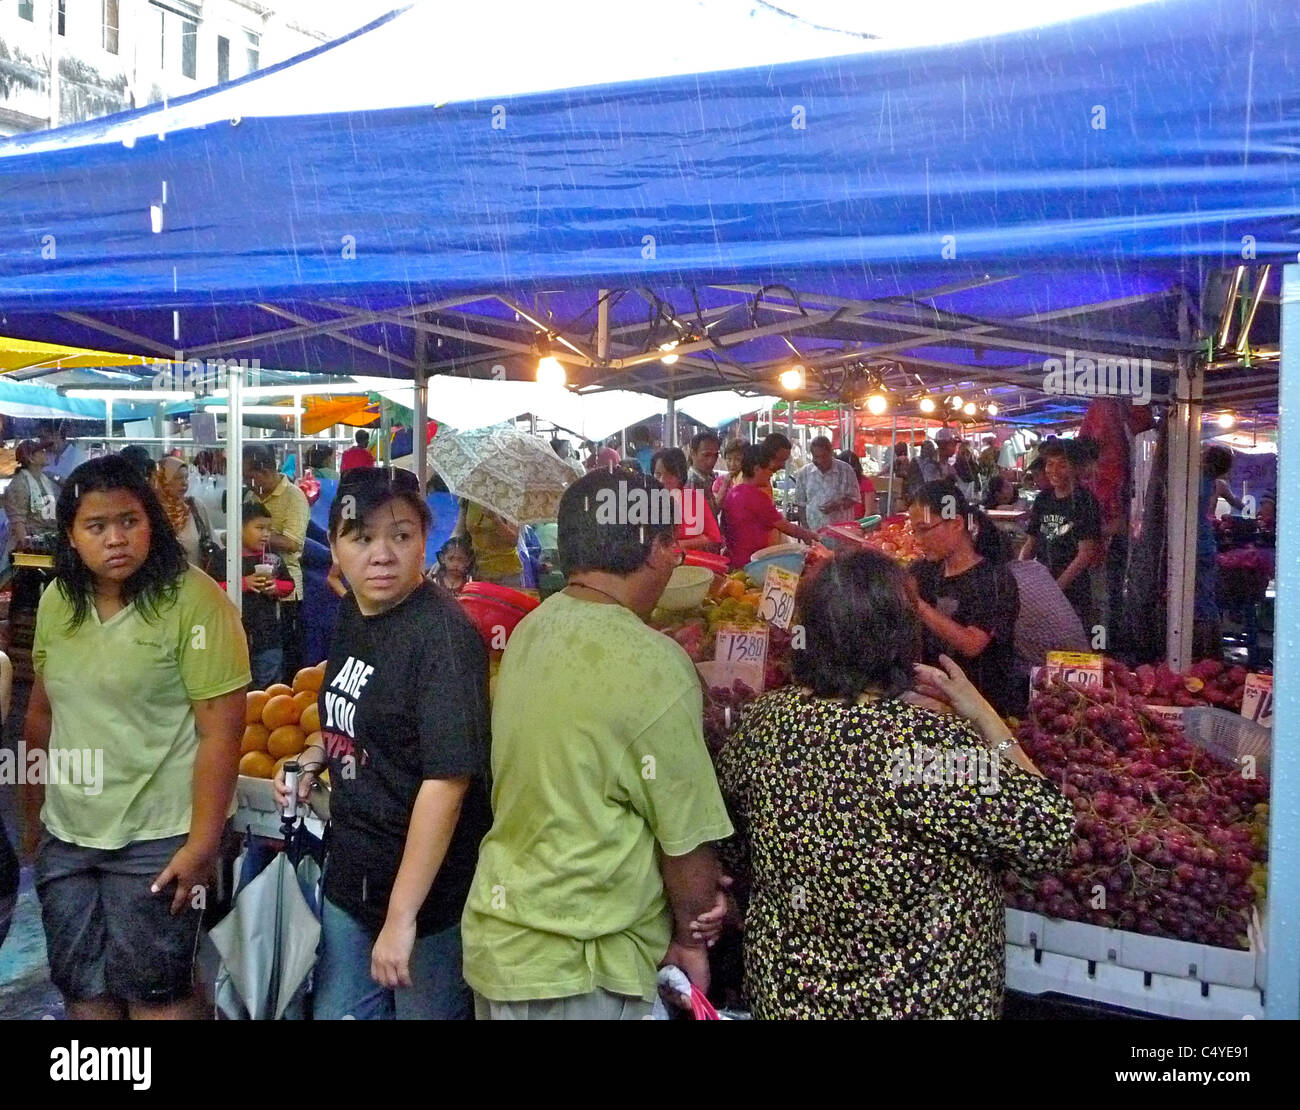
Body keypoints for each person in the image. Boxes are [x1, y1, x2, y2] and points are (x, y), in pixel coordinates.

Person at [712, 549, 1074, 1018]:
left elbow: (733, 849)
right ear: (900, 637)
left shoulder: (763, 724)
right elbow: (1052, 836)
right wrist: (985, 715)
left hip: (789, 999)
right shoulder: (931, 747)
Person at [461, 468, 734, 1019]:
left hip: (502, 945)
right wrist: (691, 931)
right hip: (582, 970)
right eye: (673, 544)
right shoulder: (655, 664)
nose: (677, 559)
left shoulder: (532, 630)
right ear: (655, 549)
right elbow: (686, 841)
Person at [23, 456, 250, 1019]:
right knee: (84, 992)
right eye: (96, 527)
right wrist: (33, 822)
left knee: (159, 994)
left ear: (153, 521)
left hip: (157, 836)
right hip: (69, 835)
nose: (116, 539)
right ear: (72, 537)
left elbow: (221, 732)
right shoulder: (58, 601)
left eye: (129, 520)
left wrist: (201, 846)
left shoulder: (195, 601)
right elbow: (40, 717)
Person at [274, 467, 491, 1019]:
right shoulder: (355, 612)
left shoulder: (441, 636)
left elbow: (447, 782)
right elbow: (343, 716)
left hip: (426, 901)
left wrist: (401, 917)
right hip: (353, 876)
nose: (382, 554)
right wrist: (310, 758)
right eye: (361, 537)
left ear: (426, 538)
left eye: (401, 535)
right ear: (337, 544)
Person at [906, 481, 1021, 716]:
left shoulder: (994, 579)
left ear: (956, 523)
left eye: (924, 529)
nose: (917, 539)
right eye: (914, 531)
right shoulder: (923, 572)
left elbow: (971, 644)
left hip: (982, 710)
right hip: (931, 704)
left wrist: (918, 605)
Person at [244, 446, 311, 678]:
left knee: (283, 656)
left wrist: (254, 534)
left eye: (249, 476)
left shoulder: (294, 497)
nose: (247, 482)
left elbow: (293, 543)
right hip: (254, 596)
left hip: (286, 593)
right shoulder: (252, 495)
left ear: (265, 471)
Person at [1020, 440, 1101, 629]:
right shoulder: (1043, 499)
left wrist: (1056, 588)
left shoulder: (1084, 501)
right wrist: (1022, 573)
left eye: (1062, 465)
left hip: (1073, 588)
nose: (1053, 470)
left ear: (1076, 468)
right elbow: (1030, 542)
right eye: (1050, 464)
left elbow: (1085, 554)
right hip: (1043, 582)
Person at [720, 443, 824, 571]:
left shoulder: (734, 492)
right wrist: (812, 536)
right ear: (757, 469)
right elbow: (786, 527)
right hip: (753, 566)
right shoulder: (755, 496)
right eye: (769, 469)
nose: (771, 474)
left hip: (736, 562)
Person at [1193, 445, 1245, 660]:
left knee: (1197, 598)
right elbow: (1240, 506)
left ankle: (1203, 650)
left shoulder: (1193, 481)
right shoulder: (1218, 484)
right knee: (1207, 597)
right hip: (1207, 541)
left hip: (1194, 543)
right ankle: (1212, 651)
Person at [235, 501, 294, 689]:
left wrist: (274, 587)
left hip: (268, 636)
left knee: (267, 687)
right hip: (236, 636)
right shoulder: (226, 558)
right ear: (240, 527)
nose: (266, 534)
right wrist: (243, 584)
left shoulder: (273, 558)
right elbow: (212, 586)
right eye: (259, 528)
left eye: (269, 529)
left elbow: (289, 585)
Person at [152, 457, 218, 574]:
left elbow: (214, 541)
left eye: (186, 477)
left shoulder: (195, 507)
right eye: (177, 478)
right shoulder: (152, 511)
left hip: (197, 582)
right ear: (162, 480)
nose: (184, 483)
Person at [651, 447, 722, 553]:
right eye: (658, 474)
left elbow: (713, 538)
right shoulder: (647, 500)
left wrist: (678, 545)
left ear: (680, 476)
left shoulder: (694, 499)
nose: (662, 480)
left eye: (669, 475)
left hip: (692, 564)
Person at [792, 436, 860, 532]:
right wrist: (806, 529)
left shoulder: (846, 470)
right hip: (815, 531)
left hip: (842, 532)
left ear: (831, 453)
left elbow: (855, 498)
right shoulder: (804, 473)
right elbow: (801, 504)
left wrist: (837, 505)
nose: (820, 461)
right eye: (816, 457)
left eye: (824, 456)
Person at [4, 439, 59, 555]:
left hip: (48, 543)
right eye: (41, 451)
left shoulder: (47, 479)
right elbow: (18, 522)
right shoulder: (19, 484)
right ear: (31, 458)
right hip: (30, 549)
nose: (45, 453)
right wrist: (26, 549)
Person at [41, 423, 91, 487]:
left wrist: (56, 478)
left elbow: (81, 486)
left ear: (57, 435)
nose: (41, 442)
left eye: (44, 438)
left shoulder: (79, 456)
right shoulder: (44, 456)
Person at [686, 432, 722, 516]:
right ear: (693, 453)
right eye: (706, 455)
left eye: (715, 455)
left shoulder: (707, 478)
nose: (711, 460)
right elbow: (708, 515)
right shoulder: (692, 482)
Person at [837, 450, 877, 518]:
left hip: (858, 522)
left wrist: (862, 526)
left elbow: (869, 511)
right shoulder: (837, 481)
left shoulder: (865, 482)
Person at [712, 439, 745, 506]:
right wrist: (725, 484)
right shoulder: (720, 481)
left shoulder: (748, 480)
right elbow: (716, 505)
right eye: (729, 459)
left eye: (737, 459)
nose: (732, 464)